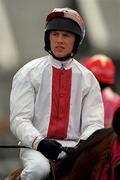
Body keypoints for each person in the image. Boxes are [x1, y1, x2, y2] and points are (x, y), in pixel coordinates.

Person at [10, 8, 104, 180]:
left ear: (76, 41)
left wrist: (81, 145)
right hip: (36, 148)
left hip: (74, 149)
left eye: (66, 36)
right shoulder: (27, 73)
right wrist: (39, 142)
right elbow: (19, 119)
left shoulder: (88, 79)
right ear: (48, 38)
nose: (59, 41)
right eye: (55, 34)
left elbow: (94, 123)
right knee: (38, 170)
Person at [82, 54, 120, 128]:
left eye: (103, 84)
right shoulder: (74, 95)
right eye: (96, 82)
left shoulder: (116, 103)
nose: (98, 87)